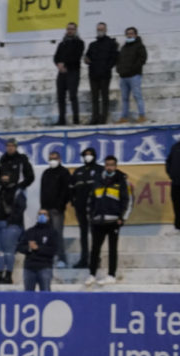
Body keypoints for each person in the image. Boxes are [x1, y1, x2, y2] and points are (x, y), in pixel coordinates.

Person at [85, 156, 132, 286]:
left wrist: (122, 218)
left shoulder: (121, 180)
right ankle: (92, 274)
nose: (109, 167)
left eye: (112, 165)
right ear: (104, 166)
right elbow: (91, 200)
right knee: (95, 249)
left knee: (112, 249)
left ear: (115, 166)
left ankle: (111, 275)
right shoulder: (98, 180)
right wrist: (91, 217)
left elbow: (127, 200)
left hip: (113, 221)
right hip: (98, 221)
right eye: (107, 164)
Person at [0, 171, 26, 285]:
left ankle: (8, 275)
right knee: (0, 252)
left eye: (6, 176)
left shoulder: (18, 191)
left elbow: (21, 208)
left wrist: (11, 221)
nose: (4, 178)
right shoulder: (0, 189)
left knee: (9, 252)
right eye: (2, 176)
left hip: (10, 224)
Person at [39, 150, 71, 268]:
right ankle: (48, 258)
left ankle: (61, 259)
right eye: (50, 158)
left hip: (57, 210)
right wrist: (42, 208)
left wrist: (60, 205)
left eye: (55, 158)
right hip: (45, 210)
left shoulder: (64, 172)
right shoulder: (46, 173)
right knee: (46, 234)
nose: (52, 160)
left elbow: (66, 191)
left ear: (59, 159)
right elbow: (42, 191)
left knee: (57, 234)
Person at [70, 147, 101, 268]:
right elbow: (71, 189)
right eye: (85, 155)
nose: (88, 157)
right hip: (81, 207)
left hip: (95, 207)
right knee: (83, 233)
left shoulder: (100, 170)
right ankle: (84, 259)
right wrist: (74, 201)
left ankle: (95, 259)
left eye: (90, 154)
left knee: (95, 233)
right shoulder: (78, 171)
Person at [84, 22, 119, 125]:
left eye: (102, 29)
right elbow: (87, 56)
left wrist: (106, 68)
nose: (100, 31)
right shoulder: (92, 44)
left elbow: (114, 58)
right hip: (93, 75)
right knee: (94, 98)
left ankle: (103, 119)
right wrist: (86, 60)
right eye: (98, 29)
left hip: (105, 75)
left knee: (104, 97)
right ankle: (94, 118)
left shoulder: (111, 43)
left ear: (106, 30)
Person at [17, 209, 60, 291]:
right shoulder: (30, 231)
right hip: (29, 268)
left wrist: (38, 248)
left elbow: (53, 250)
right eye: (40, 214)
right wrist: (29, 248)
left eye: (44, 214)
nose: (42, 216)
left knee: (45, 295)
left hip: (44, 267)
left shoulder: (53, 233)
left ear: (48, 217)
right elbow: (20, 247)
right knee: (28, 295)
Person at [54, 22, 84, 126]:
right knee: (60, 96)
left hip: (73, 72)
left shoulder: (79, 43)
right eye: (68, 29)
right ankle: (61, 119)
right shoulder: (62, 44)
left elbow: (76, 57)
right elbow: (56, 56)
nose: (70, 31)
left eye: (72, 29)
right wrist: (58, 65)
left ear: (75, 30)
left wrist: (64, 64)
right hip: (61, 73)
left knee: (72, 96)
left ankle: (76, 119)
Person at [116, 27, 147, 123]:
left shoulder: (140, 46)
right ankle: (124, 117)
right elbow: (119, 60)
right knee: (124, 98)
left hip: (134, 76)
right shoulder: (124, 47)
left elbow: (142, 59)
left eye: (132, 33)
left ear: (136, 34)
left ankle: (142, 115)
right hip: (123, 76)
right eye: (128, 33)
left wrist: (133, 69)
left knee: (137, 96)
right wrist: (119, 70)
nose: (130, 35)